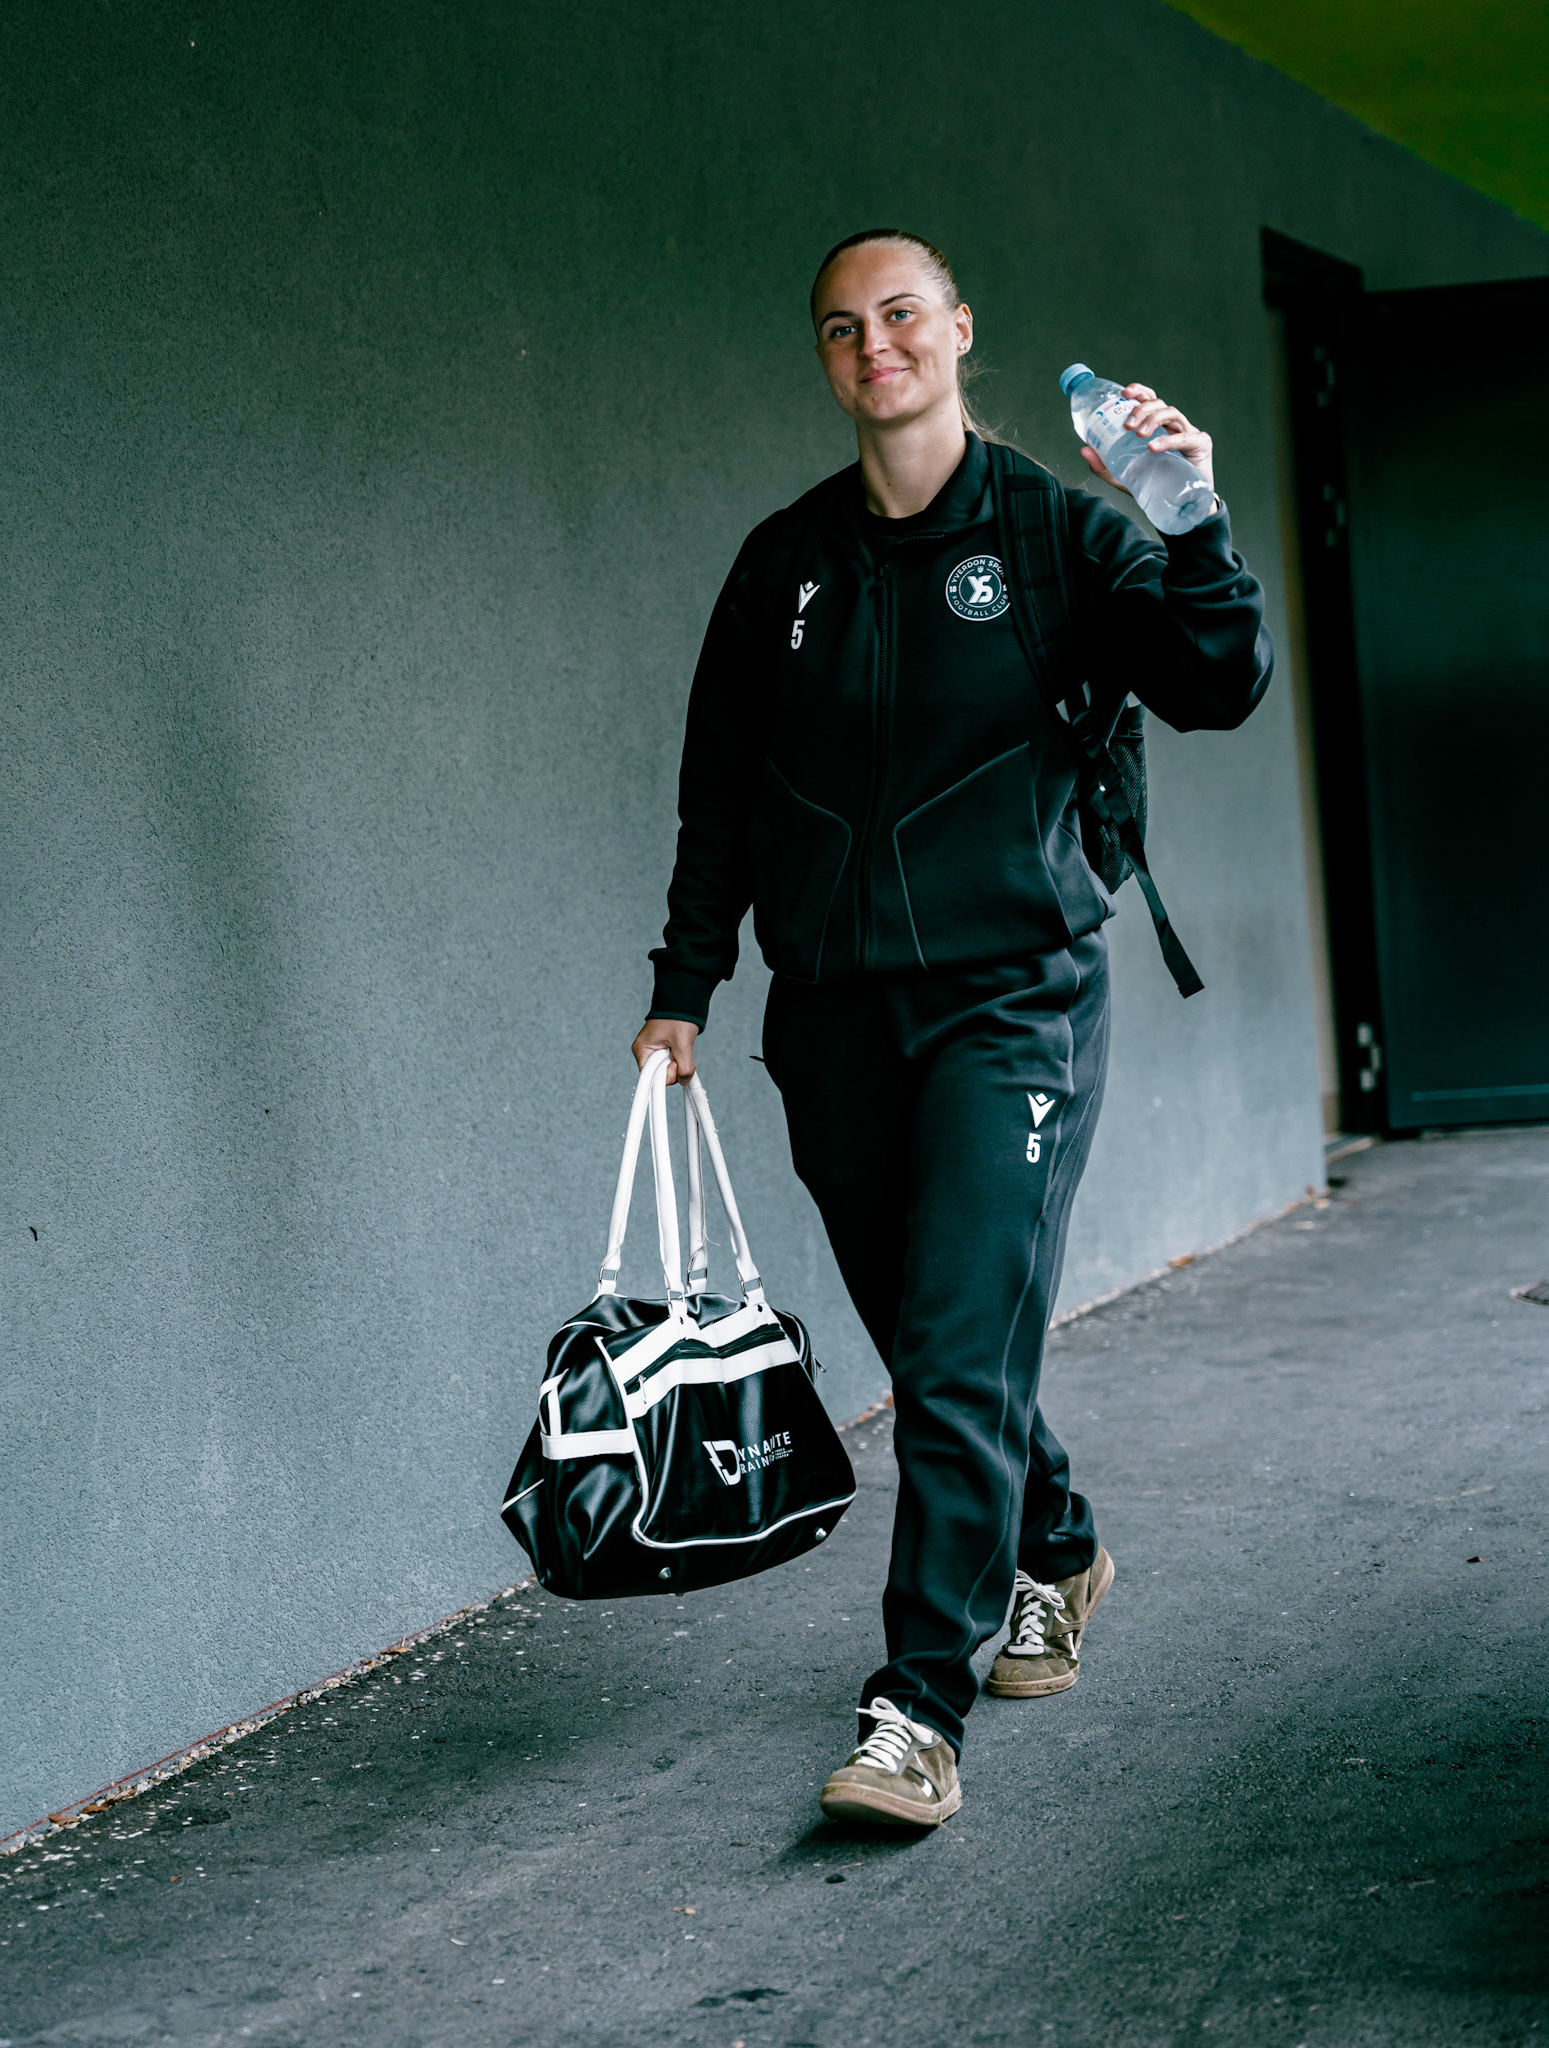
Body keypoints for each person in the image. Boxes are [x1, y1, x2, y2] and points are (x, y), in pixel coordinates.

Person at [631, 229, 1272, 1827]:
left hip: (1015, 1004)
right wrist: (682, 988)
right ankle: (1057, 1548)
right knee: (941, 1353)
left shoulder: (1064, 538)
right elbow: (718, 787)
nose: (874, 347)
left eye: (899, 315)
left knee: (952, 1347)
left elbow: (1219, 682)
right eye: (842, 329)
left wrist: (1187, 521)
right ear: (827, 360)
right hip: (830, 1015)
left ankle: (915, 1708)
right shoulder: (782, 563)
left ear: (960, 330)